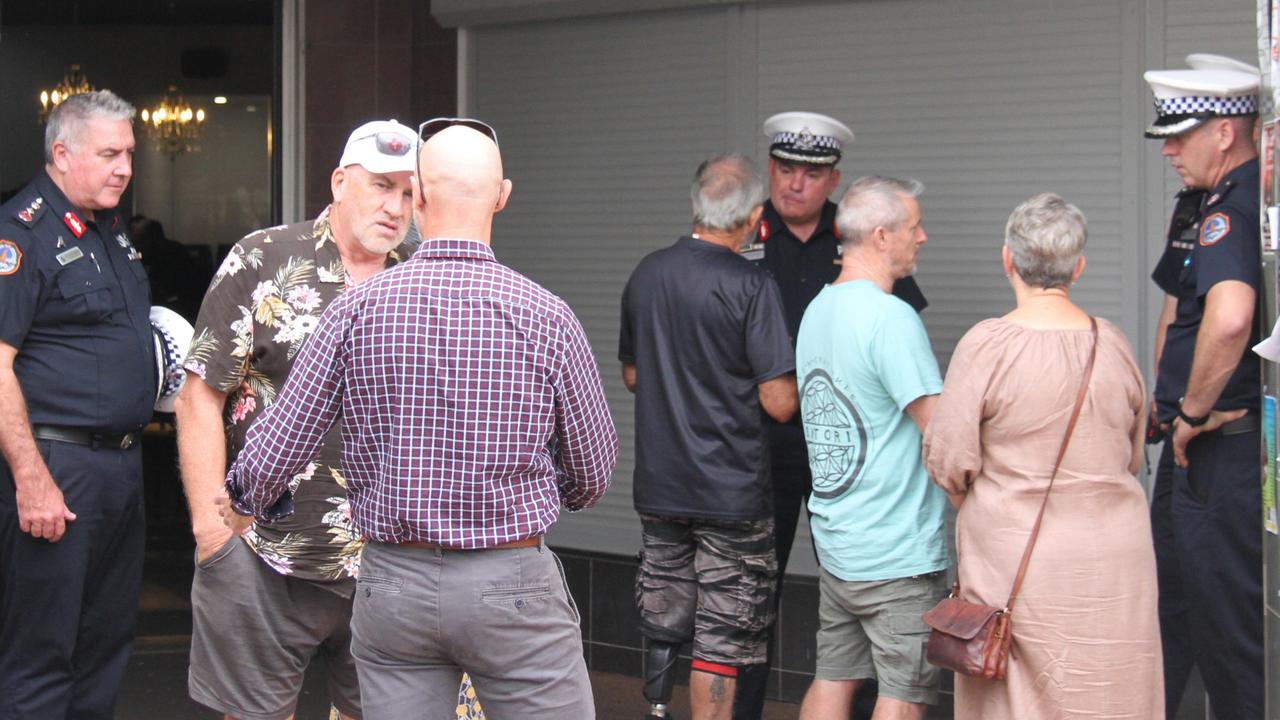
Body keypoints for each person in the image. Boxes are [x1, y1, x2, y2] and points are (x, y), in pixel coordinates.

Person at [222, 118, 618, 720]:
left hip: (392, 582)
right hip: (510, 577)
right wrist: (530, 494)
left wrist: (244, 500)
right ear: (502, 196)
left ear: (421, 200)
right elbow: (591, 474)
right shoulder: (548, 317)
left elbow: (277, 449)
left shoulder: (355, 312)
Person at [173, 119, 421, 720]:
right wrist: (212, 535)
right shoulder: (263, 259)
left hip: (394, 562)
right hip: (264, 553)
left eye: (412, 195)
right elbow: (199, 396)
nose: (396, 208)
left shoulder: (421, 273)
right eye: (382, 186)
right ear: (340, 182)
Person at [923, 193, 1162, 718]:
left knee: (1015, 701)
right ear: (1079, 266)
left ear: (1008, 258)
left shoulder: (987, 345)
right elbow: (1128, 454)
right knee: (1108, 690)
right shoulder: (1113, 343)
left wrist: (981, 502)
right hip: (1115, 561)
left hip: (1016, 559)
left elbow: (948, 460)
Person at [736, 112, 927, 720]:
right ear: (770, 170)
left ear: (832, 180)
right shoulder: (742, 232)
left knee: (855, 600)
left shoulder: (858, 236)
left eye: (811, 174)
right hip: (758, 448)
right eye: (785, 170)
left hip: (844, 454)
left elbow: (896, 316)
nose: (795, 184)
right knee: (750, 606)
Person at [619, 155, 798, 720]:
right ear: (750, 217)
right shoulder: (752, 284)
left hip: (661, 487)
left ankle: (655, 707)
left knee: (665, 619)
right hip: (730, 493)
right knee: (722, 639)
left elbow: (633, 375)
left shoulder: (648, 273)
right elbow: (778, 400)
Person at [0, 90, 155, 719]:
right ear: (62, 154)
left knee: (103, 648)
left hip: (119, 468)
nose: (124, 167)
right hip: (55, 469)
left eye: (129, 154)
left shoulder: (110, 232)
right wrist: (31, 478)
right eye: (109, 154)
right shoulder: (21, 234)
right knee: (42, 654)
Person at [792, 176, 947, 720]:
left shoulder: (819, 307)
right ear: (882, 236)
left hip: (840, 546)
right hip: (896, 552)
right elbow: (943, 432)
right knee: (903, 694)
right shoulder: (890, 317)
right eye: (913, 227)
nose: (922, 237)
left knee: (834, 679)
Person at [1141, 58, 1264, 718]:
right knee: (1172, 610)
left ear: (1224, 131)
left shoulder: (1238, 209)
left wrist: (1191, 410)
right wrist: (1164, 407)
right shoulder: (1200, 203)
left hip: (1221, 447)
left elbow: (1231, 318)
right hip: (1184, 443)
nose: (1168, 149)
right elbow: (1177, 310)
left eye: (1180, 136)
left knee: (1226, 635)